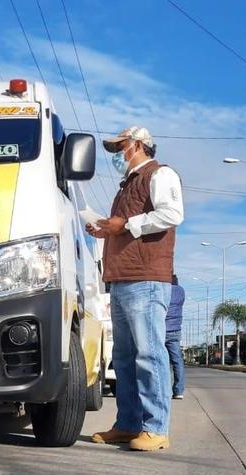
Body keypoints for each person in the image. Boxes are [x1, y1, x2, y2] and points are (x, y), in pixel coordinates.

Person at [86, 126, 184, 451]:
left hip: (146, 279)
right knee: (124, 357)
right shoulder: (126, 184)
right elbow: (126, 227)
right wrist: (107, 231)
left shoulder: (160, 174)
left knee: (149, 353)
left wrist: (126, 224)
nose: (117, 155)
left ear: (139, 144)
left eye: (121, 147)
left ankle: (156, 428)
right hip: (121, 278)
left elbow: (172, 214)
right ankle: (128, 424)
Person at [165, 275, 185, 400]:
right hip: (175, 330)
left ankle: (164, 390)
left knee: (163, 362)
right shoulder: (181, 291)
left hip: (162, 329)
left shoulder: (163, 290)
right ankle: (179, 390)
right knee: (177, 361)